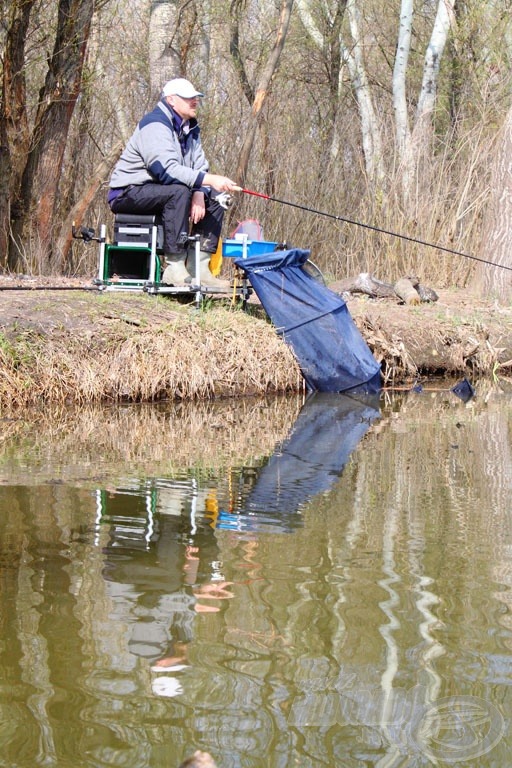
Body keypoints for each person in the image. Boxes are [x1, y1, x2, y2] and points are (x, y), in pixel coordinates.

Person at [108, 77, 239, 290]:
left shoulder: (190, 129)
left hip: (166, 189)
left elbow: (199, 167)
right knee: (178, 191)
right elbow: (165, 171)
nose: (195, 101)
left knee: (215, 195)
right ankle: (175, 267)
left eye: (196, 97)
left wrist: (200, 190)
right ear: (171, 100)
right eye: (188, 98)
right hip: (128, 192)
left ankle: (199, 268)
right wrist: (206, 181)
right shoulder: (155, 125)